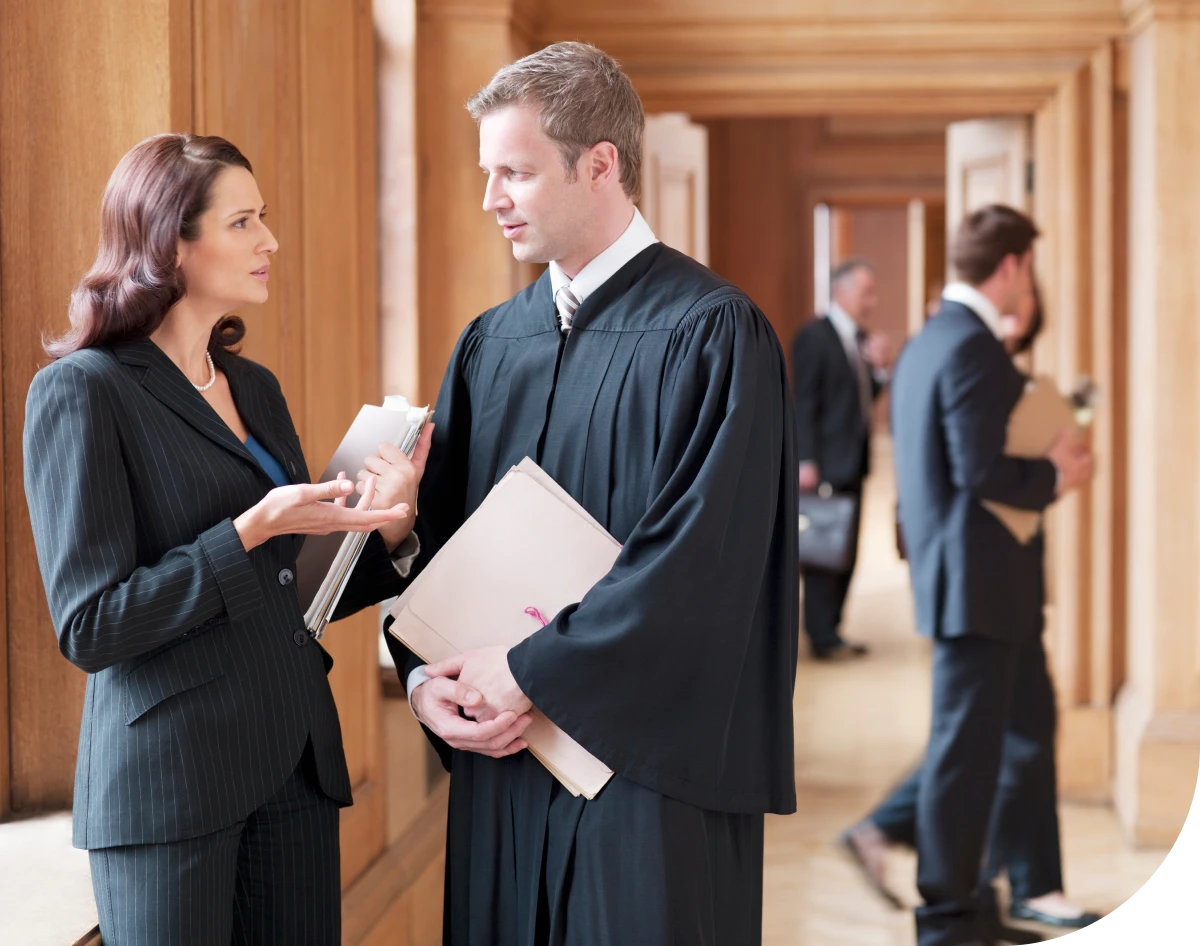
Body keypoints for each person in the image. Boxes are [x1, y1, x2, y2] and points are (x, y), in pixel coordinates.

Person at [382, 42, 799, 946]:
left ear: (599, 164)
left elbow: (699, 570)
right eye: (487, 172)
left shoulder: (714, 335)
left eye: (515, 173)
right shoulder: (493, 343)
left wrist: (531, 671)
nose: (490, 198)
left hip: (644, 776)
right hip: (501, 760)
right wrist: (425, 681)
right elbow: (443, 550)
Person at [23, 133, 438, 945]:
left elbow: (293, 587)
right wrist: (250, 530)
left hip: (294, 768)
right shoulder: (82, 392)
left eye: (265, 218)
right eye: (243, 221)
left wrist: (389, 529)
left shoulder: (254, 386)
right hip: (169, 790)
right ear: (171, 242)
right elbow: (92, 626)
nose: (269, 241)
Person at [840, 281, 1102, 932]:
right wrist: (1056, 474)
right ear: (1010, 270)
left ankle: (1013, 890)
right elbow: (980, 470)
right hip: (979, 581)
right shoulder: (965, 351)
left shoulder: (948, 348)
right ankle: (947, 897)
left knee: (1019, 734)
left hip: (991, 579)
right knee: (975, 742)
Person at [792, 258, 894, 659]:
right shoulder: (814, 337)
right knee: (823, 550)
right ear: (841, 291)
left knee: (846, 550)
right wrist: (806, 460)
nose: (872, 301)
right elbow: (805, 403)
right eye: (865, 292)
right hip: (825, 463)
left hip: (854, 460)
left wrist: (880, 370)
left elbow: (861, 396)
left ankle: (833, 629)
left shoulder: (860, 338)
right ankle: (820, 635)